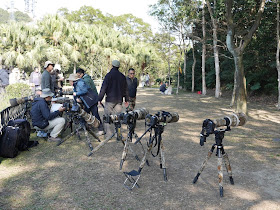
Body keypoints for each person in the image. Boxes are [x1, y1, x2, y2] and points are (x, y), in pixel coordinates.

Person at [98, 60, 129, 139]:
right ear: (118, 67)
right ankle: (117, 134)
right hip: (119, 100)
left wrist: (99, 99)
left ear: (112, 65)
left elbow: (103, 88)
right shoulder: (122, 76)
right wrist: (126, 100)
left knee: (106, 117)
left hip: (110, 100)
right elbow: (126, 89)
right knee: (117, 118)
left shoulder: (109, 75)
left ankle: (108, 134)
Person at [74, 69, 104, 135]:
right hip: (89, 100)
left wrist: (77, 94)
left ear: (81, 74)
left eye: (78, 75)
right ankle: (86, 126)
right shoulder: (84, 79)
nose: (77, 76)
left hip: (91, 100)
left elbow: (86, 91)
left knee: (94, 114)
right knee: (85, 114)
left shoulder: (85, 80)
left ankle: (101, 129)